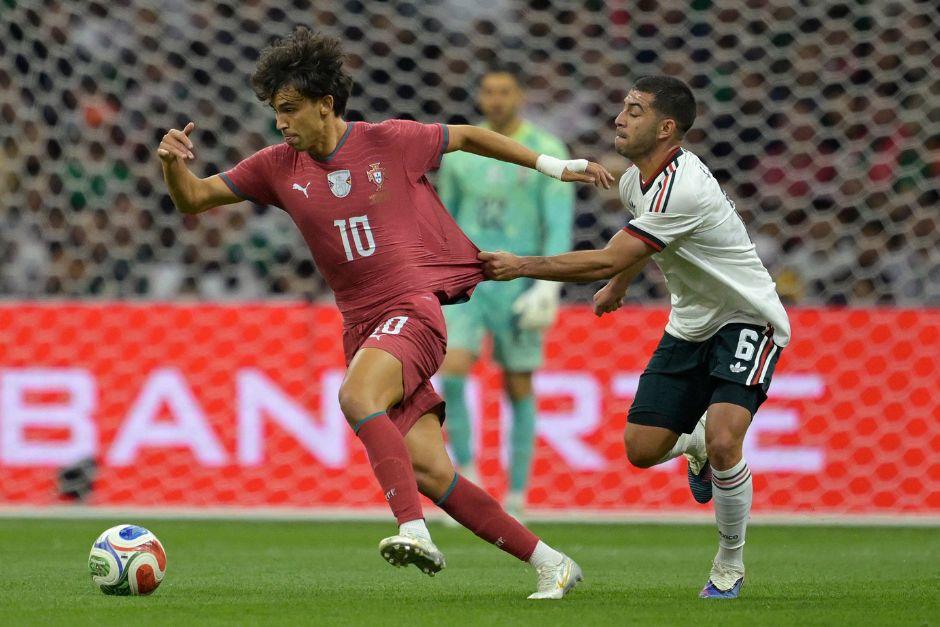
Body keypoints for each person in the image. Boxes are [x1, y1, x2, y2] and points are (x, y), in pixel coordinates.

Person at [155, 27, 613, 599]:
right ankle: (551, 562)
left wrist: (554, 166)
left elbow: (468, 136)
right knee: (432, 472)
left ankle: (412, 529)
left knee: (354, 397)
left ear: (326, 104)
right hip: (361, 327)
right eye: (276, 111)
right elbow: (194, 198)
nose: (281, 122)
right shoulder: (277, 166)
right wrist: (174, 165)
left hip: (412, 310)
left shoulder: (390, 141)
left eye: (290, 108)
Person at [480, 75, 791, 600]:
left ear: (667, 128)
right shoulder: (634, 182)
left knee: (724, 439)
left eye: (635, 110)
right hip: (689, 322)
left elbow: (610, 253)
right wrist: (619, 285)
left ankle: (728, 564)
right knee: (642, 450)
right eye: (623, 106)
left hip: (747, 316)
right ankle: (690, 448)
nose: (620, 117)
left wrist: (521, 266)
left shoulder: (684, 187)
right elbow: (638, 244)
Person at [437, 67, 574, 518]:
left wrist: (548, 288)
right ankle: (469, 472)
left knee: (518, 384)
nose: (496, 100)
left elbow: (556, 222)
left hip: (520, 279)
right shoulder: (459, 151)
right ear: (480, 96)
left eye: (504, 92)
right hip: (470, 281)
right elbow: (446, 218)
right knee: (452, 369)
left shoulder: (547, 151)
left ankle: (517, 492)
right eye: (489, 91)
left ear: (520, 96)